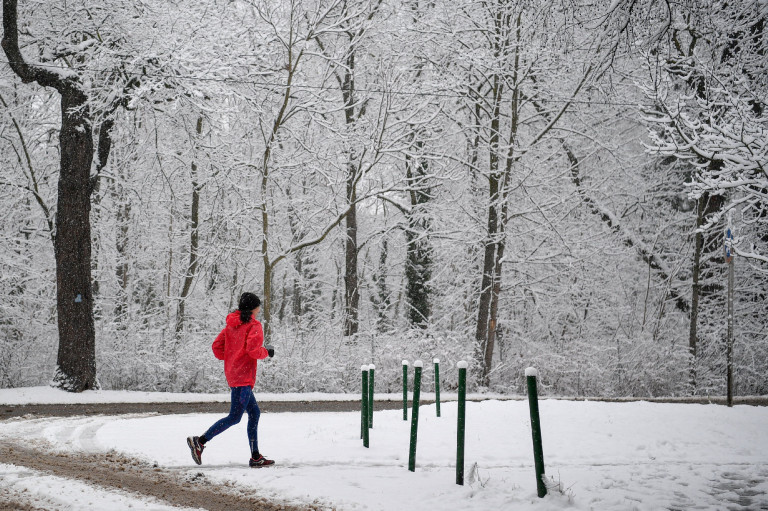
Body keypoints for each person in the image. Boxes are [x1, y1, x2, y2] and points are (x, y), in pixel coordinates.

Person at [187, 292, 276, 468]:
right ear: (254, 308)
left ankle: (256, 457)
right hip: (243, 377)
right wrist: (266, 352)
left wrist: (232, 357)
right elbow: (252, 350)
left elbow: (216, 347)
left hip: (234, 374)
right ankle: (200, 441)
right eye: (258, 307)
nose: (259, 310)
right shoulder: (254, 325)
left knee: (254, 413)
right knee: (234, 417)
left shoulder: (231, 325)